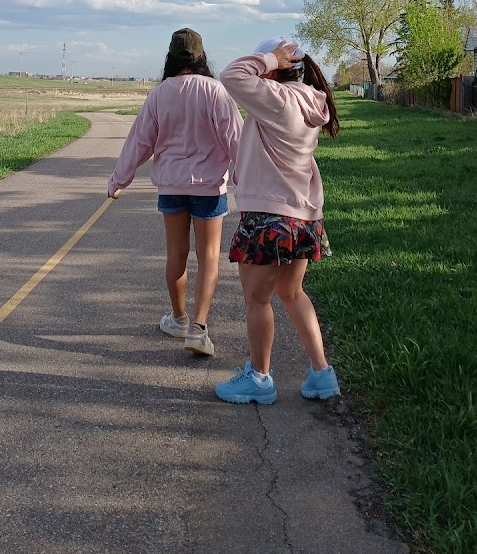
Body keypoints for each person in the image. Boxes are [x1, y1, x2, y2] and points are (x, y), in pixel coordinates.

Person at [214, 37, 341, 404]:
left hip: (268, 217)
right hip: (303, 218)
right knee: (292, 292)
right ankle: (322, 374)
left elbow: (231, 75)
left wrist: (269, 58)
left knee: (257, 299)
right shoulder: (310, 100)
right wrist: (274, 61)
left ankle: (259, 378)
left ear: (276, 69)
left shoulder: (277, 98)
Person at [107, 28, 242, 357]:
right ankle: (199, 328)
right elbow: (236, 138)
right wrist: (247, 177)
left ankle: (179, 319)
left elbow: (140, 141)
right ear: (201, 56)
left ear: (170, 56)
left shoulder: (159, 95)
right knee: (208, 257)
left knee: (176, 255)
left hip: (171, 185)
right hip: (209, 188)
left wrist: (119, 179)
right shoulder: (215, 91)